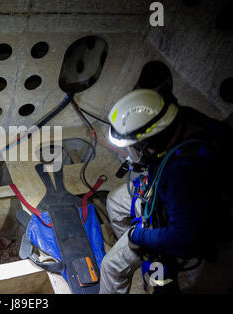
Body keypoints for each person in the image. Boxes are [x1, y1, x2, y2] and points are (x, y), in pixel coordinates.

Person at [99, 88, 231, 293]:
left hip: (178, 222)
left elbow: (183, 241)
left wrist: (138, 237)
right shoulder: (178, 118)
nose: (134, 150)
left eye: (136, 144)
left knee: (110, 267)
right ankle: (137, 253)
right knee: (115, 200)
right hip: (159, 188)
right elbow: (159, 161)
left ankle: (140, 248)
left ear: (150, 141)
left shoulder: (185, 172)